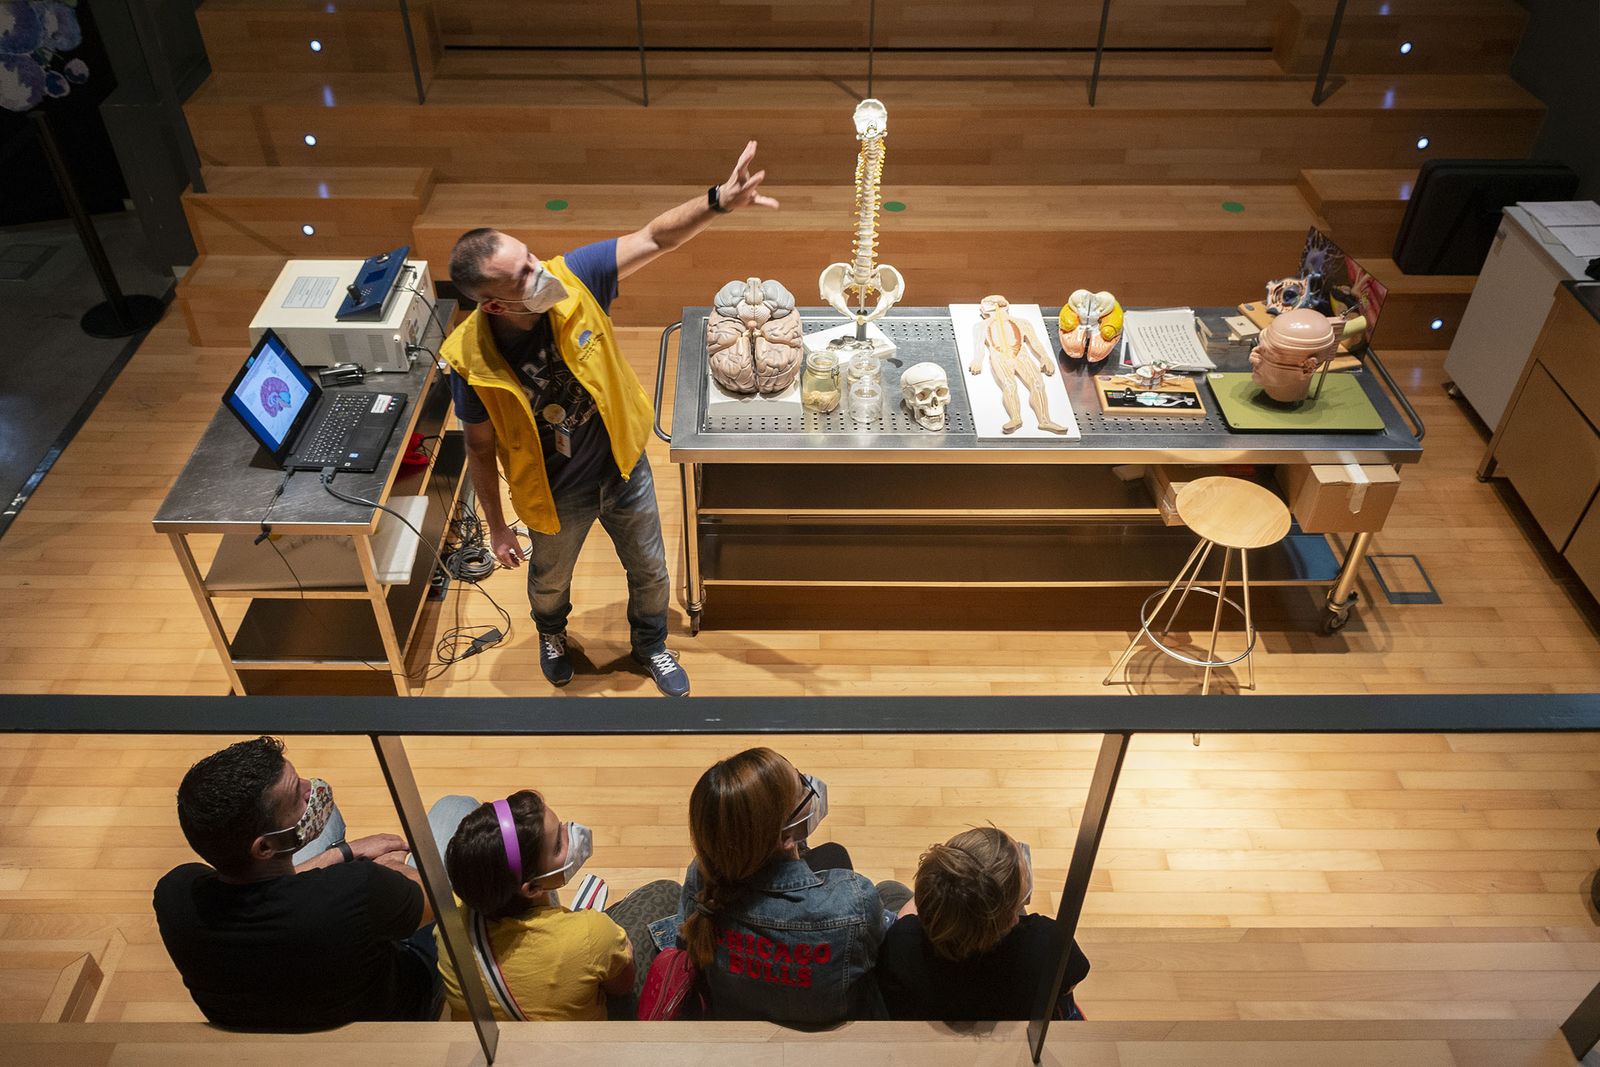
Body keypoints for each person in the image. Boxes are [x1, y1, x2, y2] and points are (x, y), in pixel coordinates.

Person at [440, 141, 780, 697]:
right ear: (493, 305)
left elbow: (654, 236)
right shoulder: (468, 359)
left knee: (650, 572)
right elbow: (478, 448)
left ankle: (650, 645)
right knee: (549, 581)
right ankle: (552, 633)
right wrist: (497, 527)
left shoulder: (573, 278)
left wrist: (717, 200)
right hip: (551, 493)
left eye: (531, 258)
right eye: (523, 277)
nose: (540, 272)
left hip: (623, 468)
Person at [153, 737, 443, 1029]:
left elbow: (272, 891)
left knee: (328, 823)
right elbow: (434, 898)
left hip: (261, 1020)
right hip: (395, 1011)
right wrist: (391, 870)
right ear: (265, 848)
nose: (310, 788)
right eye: (297, 794)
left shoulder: (175, 895)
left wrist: (341, 854)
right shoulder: (356, 890)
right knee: (452, 809)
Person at [665, 747, 910, 1024]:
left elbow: (684, 944)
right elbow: (888, 947)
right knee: (892, 891)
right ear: (785, 839)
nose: (811, 785)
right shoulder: (854, 900)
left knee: (832, 852)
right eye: (802, 787)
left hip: (735, 1018)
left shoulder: (703, 879)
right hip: (830, 1032)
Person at [425, 790, 680, 1021]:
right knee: (665, 892)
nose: (571, 833)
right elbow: (622, 986)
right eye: (558, 844)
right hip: (577, 1048)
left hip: (501, 1041)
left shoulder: (448, 924)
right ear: (532, 889)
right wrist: (613, 947)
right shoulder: (592, 932)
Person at [876, 826, 1090, 1021]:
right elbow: (1072, 978)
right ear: (1012, 918)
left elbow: (904, 929)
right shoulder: (1048, 943)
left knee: (888, 889)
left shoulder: (904, 942)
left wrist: (933, 899)